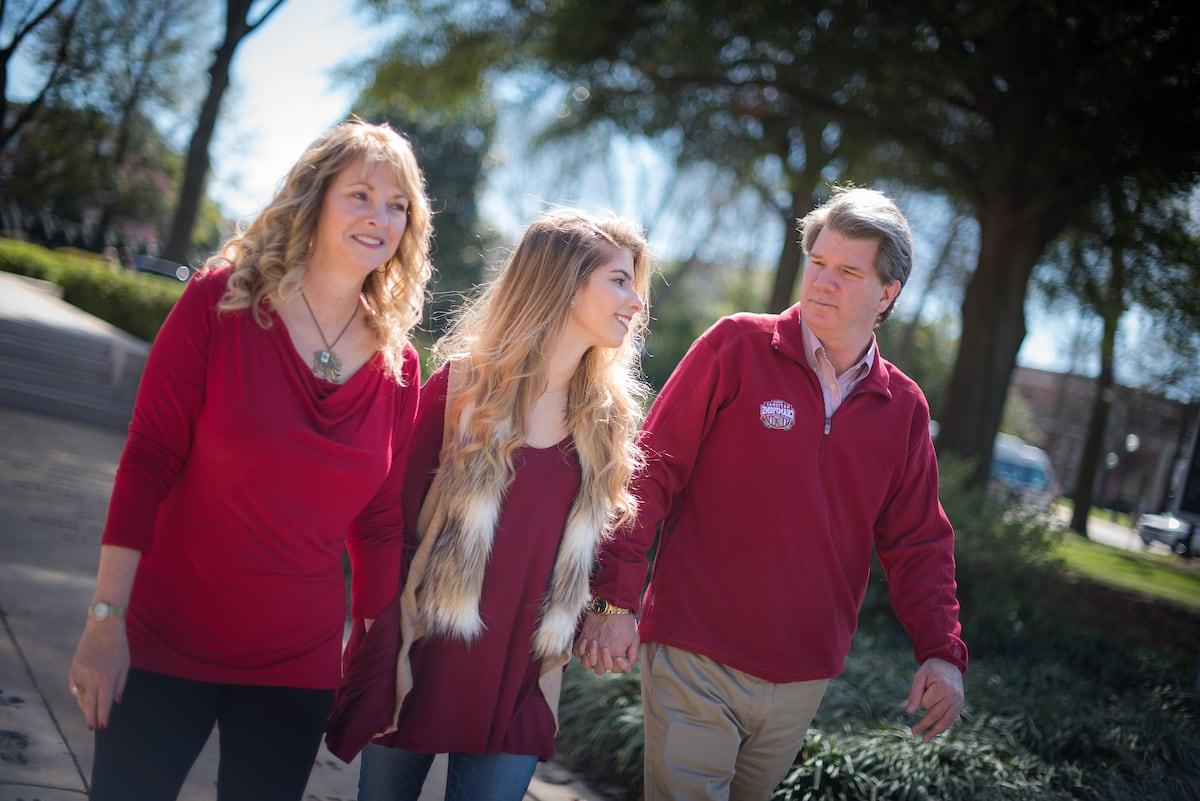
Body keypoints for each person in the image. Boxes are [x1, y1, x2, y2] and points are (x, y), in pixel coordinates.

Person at [67, 119, 433, 801]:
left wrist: (380, 654)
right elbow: (148, 458)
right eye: (360, 195)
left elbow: (380, 523)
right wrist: (104, 617)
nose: (380, 218)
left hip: (296, 662)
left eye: (397, 205)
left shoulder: (400, 364)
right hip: (166, 636)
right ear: (314, 198)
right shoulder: (221, 301)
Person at [578, 187, 968, 801]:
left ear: (887, 293)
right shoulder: (735, 347)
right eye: (818, 263)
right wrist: (614, 601)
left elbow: (918, 540)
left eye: (848, 272)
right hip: (694, 652)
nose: (822, 283)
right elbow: (647, 474)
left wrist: (942, 652)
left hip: (801, 677)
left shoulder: (905, 409)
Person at [323, 209, 652, 801]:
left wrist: (611, 608)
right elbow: (388, 519)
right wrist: (375, 630)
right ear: (564, 280)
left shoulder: (608, 421)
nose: (636, 300)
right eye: (619, 280)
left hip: (524, 675)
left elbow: (619, 533)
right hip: (421, 661)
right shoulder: (460, 390)